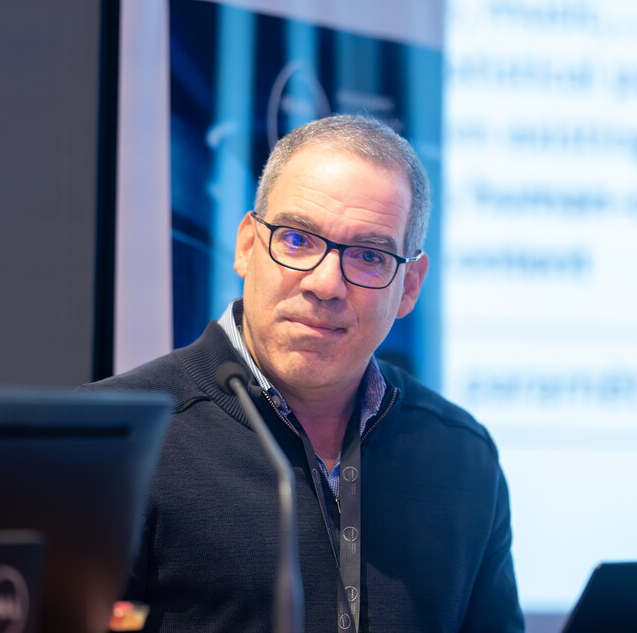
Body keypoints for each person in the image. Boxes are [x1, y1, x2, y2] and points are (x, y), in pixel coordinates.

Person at [83, 115, 524, 632]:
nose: (325, 283)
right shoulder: (113, 440)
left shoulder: (461, 454)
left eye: (369, 255)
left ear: (409, 287)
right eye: (296, 240)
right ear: (247, 246)